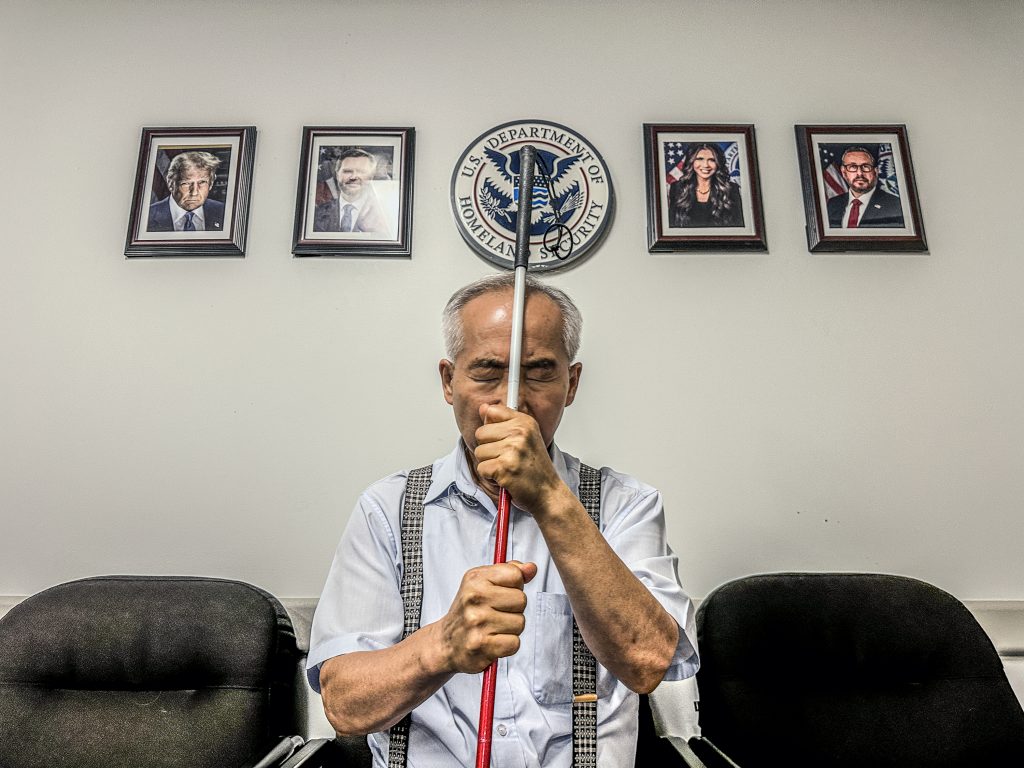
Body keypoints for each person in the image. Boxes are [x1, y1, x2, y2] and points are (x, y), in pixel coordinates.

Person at [307, 273, 698, 767]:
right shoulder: (386, 509)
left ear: (572, 384)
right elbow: (344, 707)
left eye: (539, 372)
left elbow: (647, 664)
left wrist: (551, 499)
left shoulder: (628, 506)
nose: (512, 402)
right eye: (488, 372)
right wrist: (441, 645)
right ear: (448, 382)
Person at [313, 148, 391, 235]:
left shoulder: (385, 215)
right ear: (337, 174)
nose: (353, 177)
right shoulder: (316, 214)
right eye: (347, 171)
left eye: (361, 172)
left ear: (371, 177)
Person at [668, 143, 744, 227]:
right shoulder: (677, 188)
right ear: (691, 161)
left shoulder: (731, 189)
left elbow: (739, 226)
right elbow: (672, 225)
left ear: (718, 163)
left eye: (712, 160)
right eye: (700, 159)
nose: (706, 165)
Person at [826, 147, 905, 228]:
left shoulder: (895, 205)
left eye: (866, 166)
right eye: (853, 167)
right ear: (844, 172)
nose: (860, 173)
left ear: (875, 172)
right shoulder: (832, 204)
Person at [147, 151, 225, 232]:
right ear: (170, 183)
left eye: (202, 182)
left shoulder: (224, 212)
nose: (194, 193)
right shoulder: (147, 216)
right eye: (186, 183)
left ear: (211, 184)